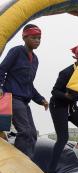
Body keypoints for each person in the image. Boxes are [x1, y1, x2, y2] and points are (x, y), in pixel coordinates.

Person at [0, 24, 48, 158]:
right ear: (24, 37)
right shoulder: (17, 51)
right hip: (12, 98)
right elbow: (2, 69)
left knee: (32, 134)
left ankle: (28, 165)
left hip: (24, 101)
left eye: (39, 38)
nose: (37, 40)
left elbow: (29, 85)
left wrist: (40, 99)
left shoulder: (35, 60)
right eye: (34, 37)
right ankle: (19, 163)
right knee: (25, 132)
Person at [49, 43, 78, 173]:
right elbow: (54, 91)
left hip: (71, 107)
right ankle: (51, 170)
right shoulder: (66, 72)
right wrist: (65, 95)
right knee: (63, 138)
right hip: (58, 106)